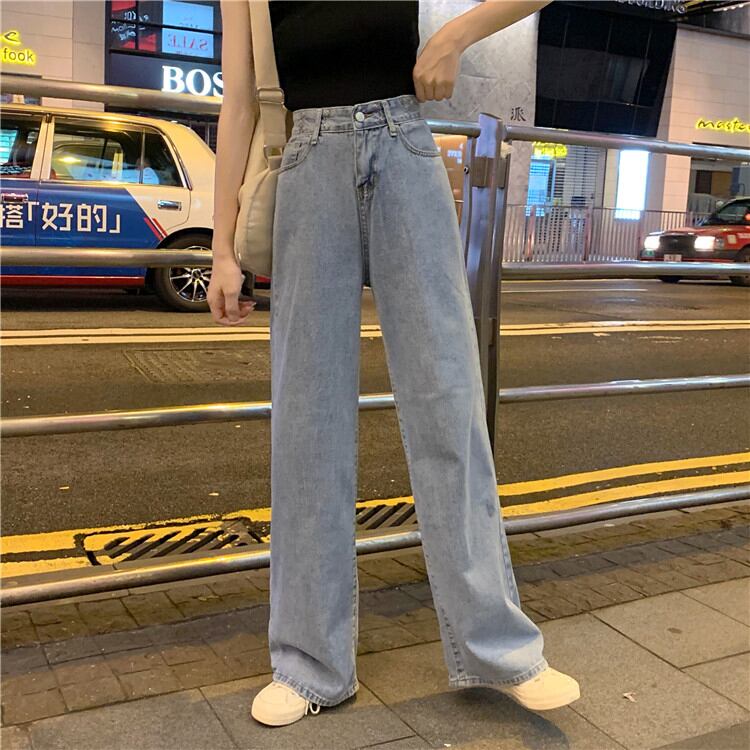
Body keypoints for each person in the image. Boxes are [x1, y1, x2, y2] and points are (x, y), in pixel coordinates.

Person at [208, 0, 580, 728]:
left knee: (449, 402)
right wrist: (221, 248)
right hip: (307, 163)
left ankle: (500, 649)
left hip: (406, 149)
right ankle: (310, 664)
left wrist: (456, 34)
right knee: (307, 423)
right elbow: (239, 104)